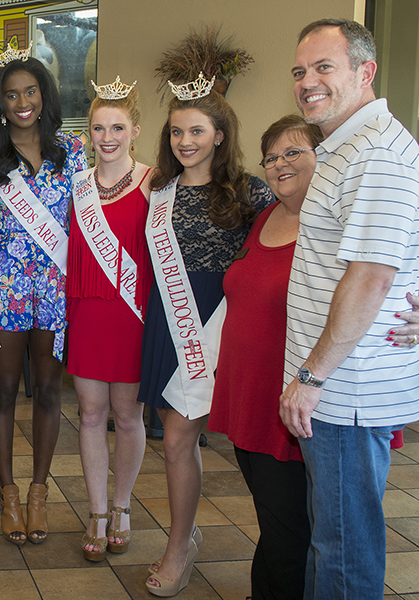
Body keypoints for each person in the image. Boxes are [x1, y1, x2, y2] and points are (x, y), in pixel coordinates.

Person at [279, 19, 419, 599]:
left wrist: (311, 377)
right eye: (300, 71)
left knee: (343, 549)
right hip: (337, 385)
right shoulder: (345, 146)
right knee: (329, 539)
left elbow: (371, 276)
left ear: (365, 72)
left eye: (323, 67)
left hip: (345, 390)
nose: (308, 82)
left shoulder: (377, 152)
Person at [139, 75, 273, 597]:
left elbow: (277, 251)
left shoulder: (249, 190)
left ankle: (181, 544)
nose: (185, 142)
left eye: (196, 130)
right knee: (176, 441)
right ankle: (183, 538)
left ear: (220, 134)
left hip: (218, 325)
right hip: (169, 321)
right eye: (176, 132)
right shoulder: (157, 191)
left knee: (179, 438)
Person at [209, 114, 323, 600]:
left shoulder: (329, 225)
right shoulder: (265, 216)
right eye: (272, 157)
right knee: (277, 523)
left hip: (293, 404)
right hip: (251, 398)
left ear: (326, 157)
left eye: (293, 153)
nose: (279, 165)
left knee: (288, 531)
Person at [0, 50, 88, 546]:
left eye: (30, 91)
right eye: (11, 94)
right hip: (5, 289)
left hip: (56, 290)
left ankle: (39, 492)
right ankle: (7, 493)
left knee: (48, 393)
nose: (22, 102)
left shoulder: (74, 151)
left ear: (44, 95)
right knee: (2, 392)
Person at [67, 76, 153, 562]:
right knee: (90, 414)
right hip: (87, 312)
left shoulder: (154, 181)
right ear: (89, 133)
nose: (107, 137)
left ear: (135, 129)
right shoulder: (76, 186)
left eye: (117, 127)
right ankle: (97, 511)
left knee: (127, 415)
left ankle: (122, 506)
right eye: (98, 127)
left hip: (132, 314)